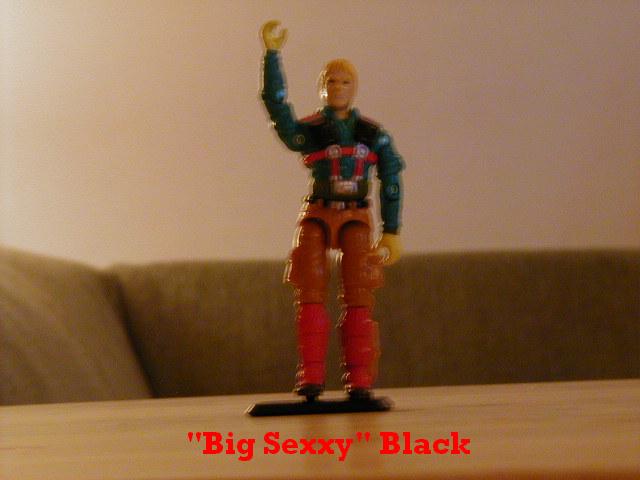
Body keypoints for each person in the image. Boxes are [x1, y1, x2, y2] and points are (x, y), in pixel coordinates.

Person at [260, 21, 404, 401]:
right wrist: (272, 57)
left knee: (359, 293)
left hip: (356, 217)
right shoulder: (312, 130)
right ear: (322, 87)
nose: (337, 87)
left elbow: (391, 176)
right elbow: (279, 114)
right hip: (318, 215)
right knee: (309, 290)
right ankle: (310, 375)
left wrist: (392, 230)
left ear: (354, 88)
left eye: (344, 82)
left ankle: (359, 378)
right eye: (330, 81)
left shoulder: (372, 134)